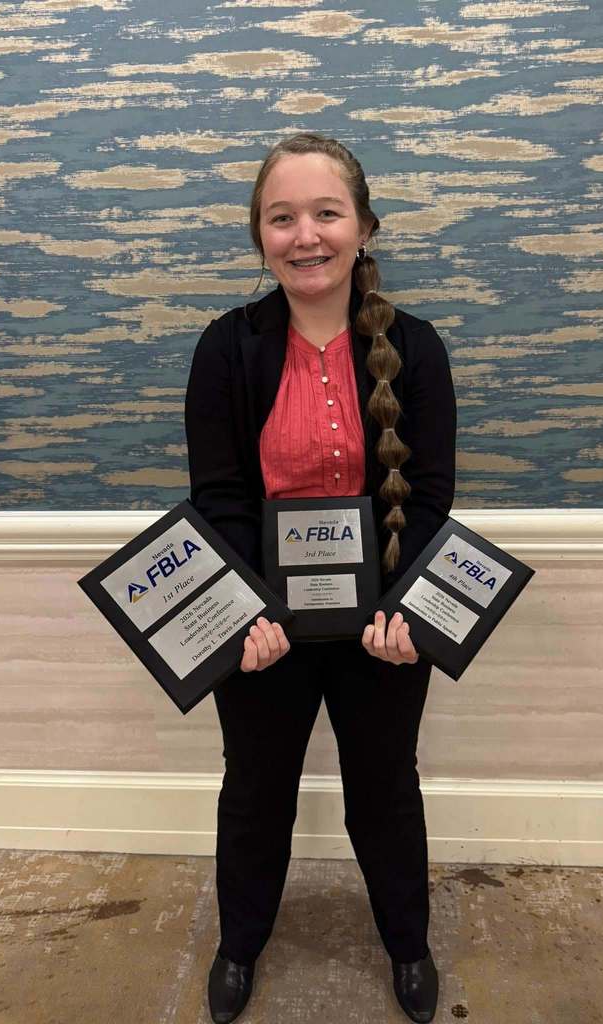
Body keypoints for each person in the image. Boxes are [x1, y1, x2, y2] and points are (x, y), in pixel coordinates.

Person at [184, 131, 456, 1023]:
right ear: (259, 236)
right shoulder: (226, 351)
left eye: (327, 213)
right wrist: (243, 620)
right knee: (255, 789)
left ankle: (408, 946)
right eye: (282, 217)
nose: (306, 235)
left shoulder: (417, 350)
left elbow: (430, 499)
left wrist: (408, 613)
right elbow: (220, 500)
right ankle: (238, 947)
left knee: (386, 788)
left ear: (365, 226)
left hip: (381, 628)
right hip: (266, 630)